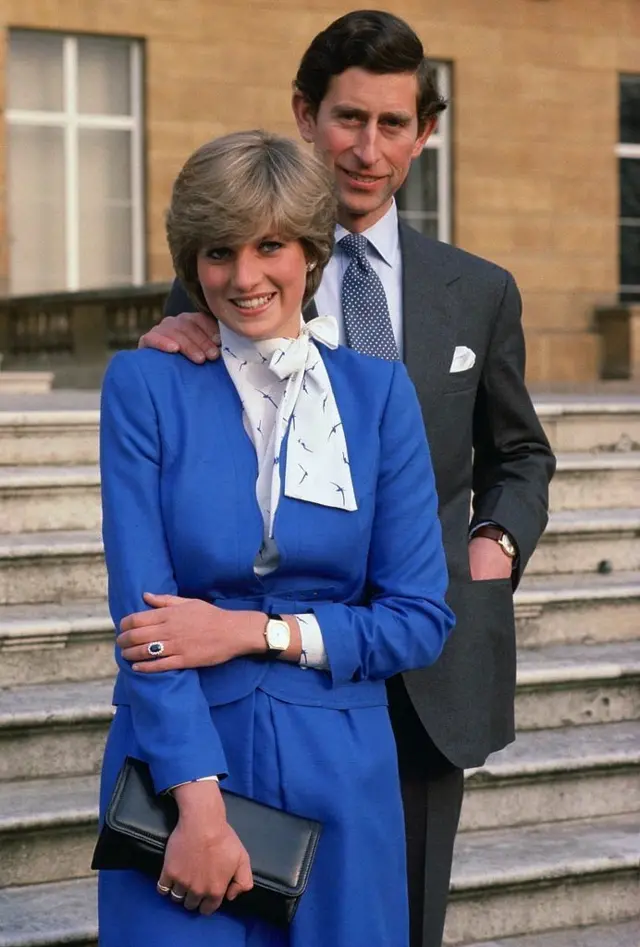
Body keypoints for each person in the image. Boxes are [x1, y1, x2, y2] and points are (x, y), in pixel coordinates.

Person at [138, 11, 556, 947]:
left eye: (394, 124)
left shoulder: (480, 289)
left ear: (425, 132)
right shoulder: (234, 270)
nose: (369, 150)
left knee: (400, 923)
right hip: (264, 680)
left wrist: (494, 545)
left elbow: (520, 453)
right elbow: (182, 435)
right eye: (347, 119)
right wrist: (166, 347)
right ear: (304, 114)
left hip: (425, 661)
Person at [98, 129, 454, 947]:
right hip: (177, 763)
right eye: (219, 252)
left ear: (310, 251)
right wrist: (199, 805)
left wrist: (253, 631)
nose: (245, 276)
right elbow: (144, 619)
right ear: (192, 263)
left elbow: (418, 617)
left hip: (340, 772)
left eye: (270, 246)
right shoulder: (146, 383)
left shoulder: (378, 394)